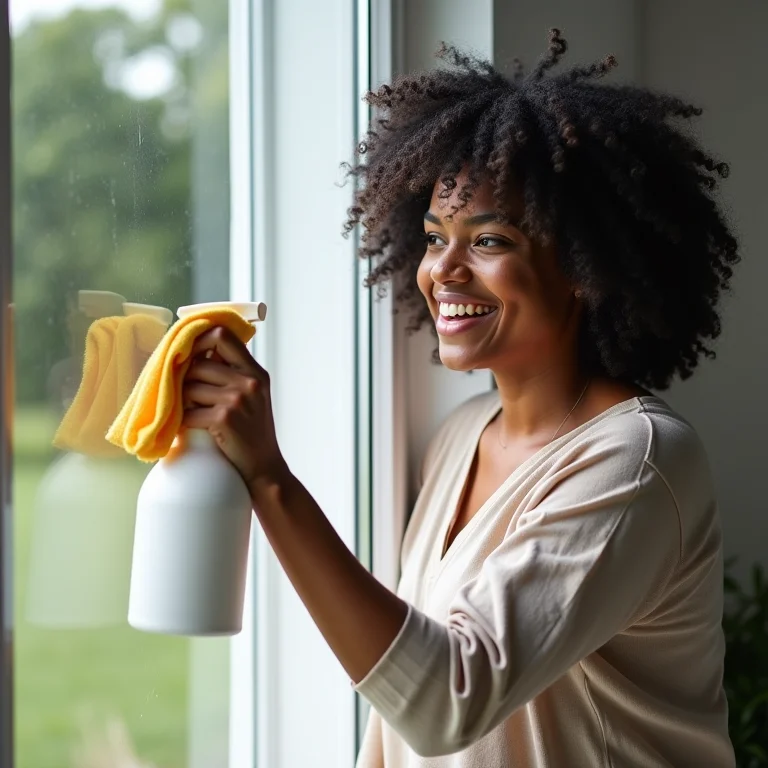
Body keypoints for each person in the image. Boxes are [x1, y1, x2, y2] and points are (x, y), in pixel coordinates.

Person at [182, 30, 737, 768]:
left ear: (581, 265)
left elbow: (448, 701)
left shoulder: (636, 461)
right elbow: (399, 727)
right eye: (434, 235)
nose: (441, 269)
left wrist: (269, 477)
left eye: (489, 241)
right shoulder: (463, 434)